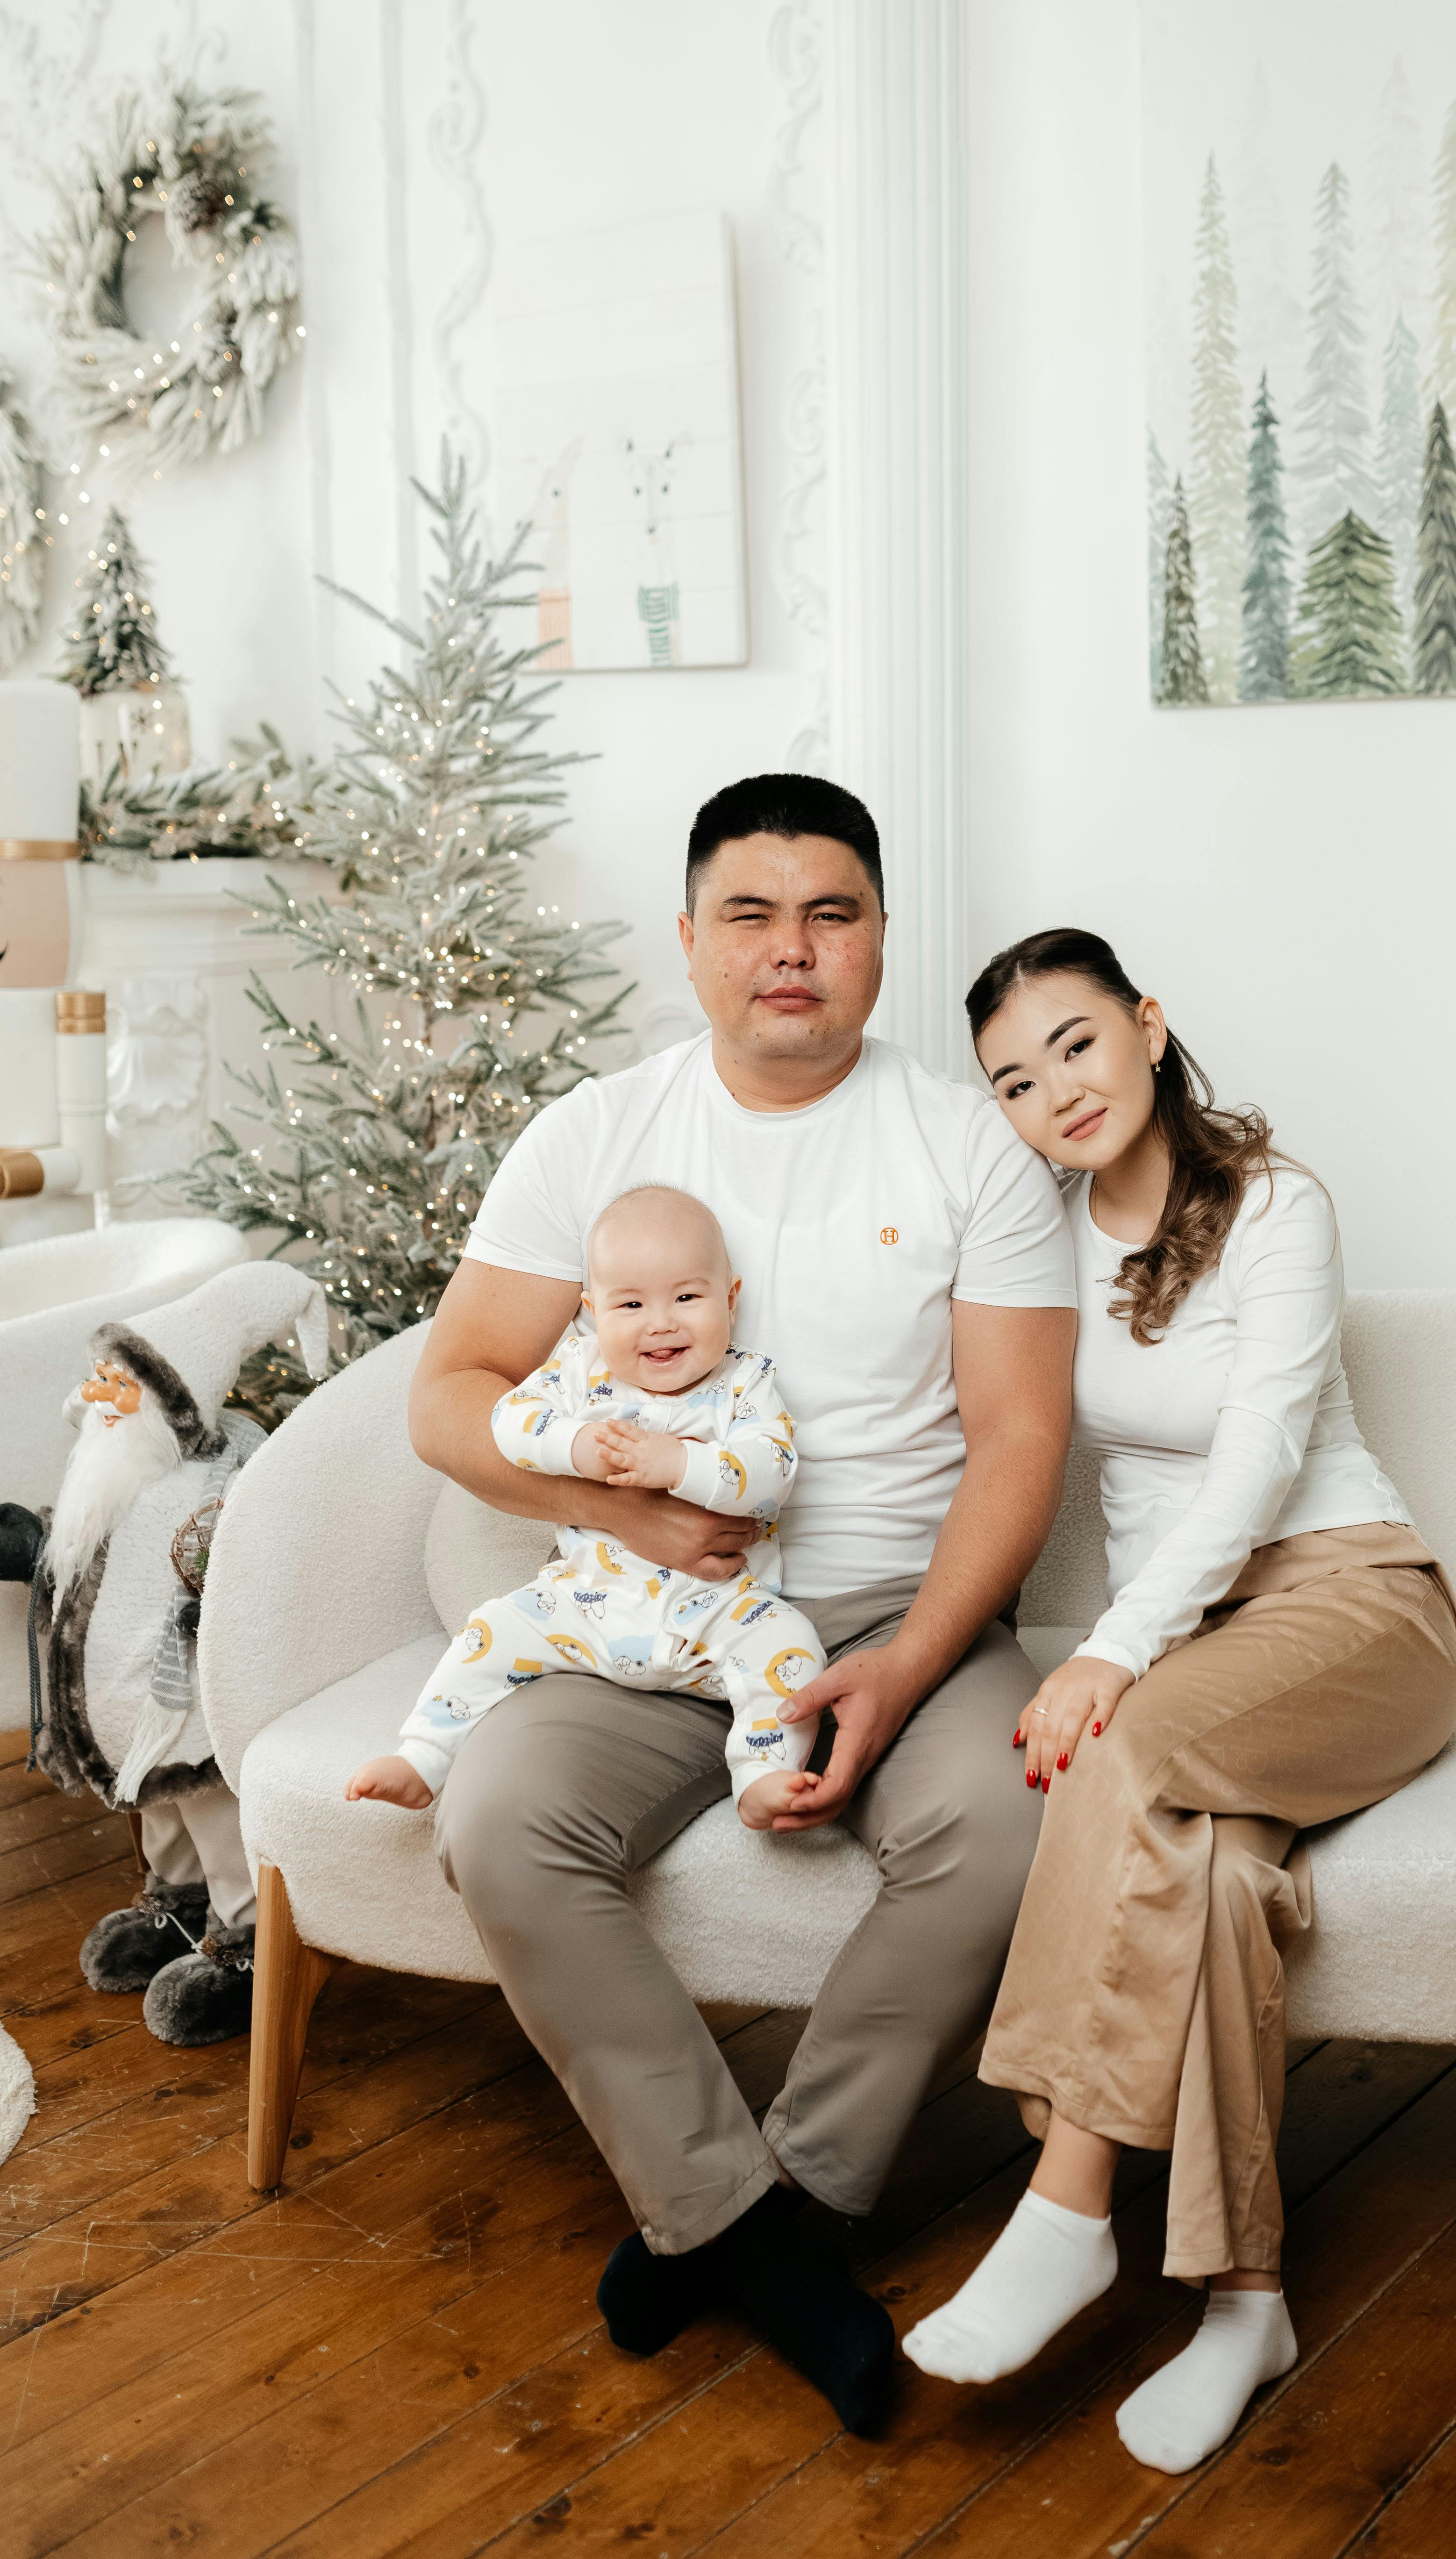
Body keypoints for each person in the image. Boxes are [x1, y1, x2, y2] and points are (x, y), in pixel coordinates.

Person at [407, 775, 1077, 2435]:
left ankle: (776, 2197)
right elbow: (448, 1393)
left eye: (832, 913)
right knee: (497, 1817)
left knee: (1001, 1827)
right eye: (754, 915)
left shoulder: (967, 1142)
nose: (794, 950)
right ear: (694, 939)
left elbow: (1020, 1439)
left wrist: (912, 1657)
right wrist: (611, 1502)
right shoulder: (594, 1134)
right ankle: (752, 2228)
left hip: (883, 1612)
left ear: (877, 941)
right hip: (636, 1604)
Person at [903, 927, 1456, 2474]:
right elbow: (1013, 1454)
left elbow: (1257, 1461)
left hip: (1355, 1599)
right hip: (1205, 1636)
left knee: (1127, 1744)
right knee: (1209, 1874)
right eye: (1012, 1079)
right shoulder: (1040, 1243)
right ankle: (1245, 2303)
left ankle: (1064, 2205)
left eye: (1074, 1044)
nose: (1051, 1093)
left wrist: (1109, 1656)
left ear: (1149, 1027)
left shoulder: (1277, 1203)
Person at [347, 1184, 827, 1829]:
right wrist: (577, 1449)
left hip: (719, 1613)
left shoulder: (745, 1383)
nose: (661, 1321)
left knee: (791, 1649)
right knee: (489, 1632)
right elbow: (510, 1422)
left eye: (687, 1297)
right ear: (593, 1310)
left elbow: (773, 1471)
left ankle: (763, 1775)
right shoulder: (579, 1371)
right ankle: (425, 1755)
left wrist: (675, 1464)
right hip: (584, 1608)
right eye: (630, 1303)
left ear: (730, 1299)